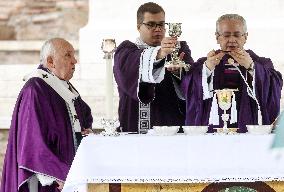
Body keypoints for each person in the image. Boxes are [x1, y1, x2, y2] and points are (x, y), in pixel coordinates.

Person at [0, 38, 93, 192]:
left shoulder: (63, 86)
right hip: (49, 181)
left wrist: (85, 132)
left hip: (71, 172)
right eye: (68, 55)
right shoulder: (35, 90)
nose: (74, 61)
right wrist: (60, 175)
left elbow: (83, 116)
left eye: (74, 55)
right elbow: (32, 143)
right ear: (51, 61)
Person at [182, 14, 282, 133]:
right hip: (212, 129)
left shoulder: (261, 63)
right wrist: (206, 70)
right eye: (226, 35)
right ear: (217, 37)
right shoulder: (204, 63)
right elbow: (187, 87)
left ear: (245, 37)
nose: (232, 40)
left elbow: (274, 85)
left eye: (237, 34)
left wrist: (252, 67)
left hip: (248, 127)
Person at [114, 2, 194, 133]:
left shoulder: (178, 50)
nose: (158, 29)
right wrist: (160, 54)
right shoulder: (126, 51)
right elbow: (127, 74)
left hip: (171, 125)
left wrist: (178, 72)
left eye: (161, 24)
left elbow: (193, 83)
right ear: (139, 26)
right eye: (151, 24)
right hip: (137, 125)